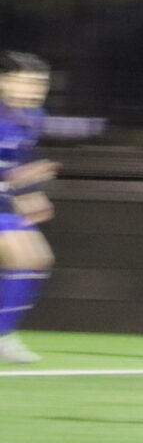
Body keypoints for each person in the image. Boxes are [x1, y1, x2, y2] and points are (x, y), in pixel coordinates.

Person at [0, 52, 56, 364]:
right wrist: (15, 177)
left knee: (37, 259)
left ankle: (4, 335)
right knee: (22, 257)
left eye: (40, 84)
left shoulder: (33, 116)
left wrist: (31, 193)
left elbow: (23, 159)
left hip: (4, 200)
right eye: (25, 82)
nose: (34, 90)